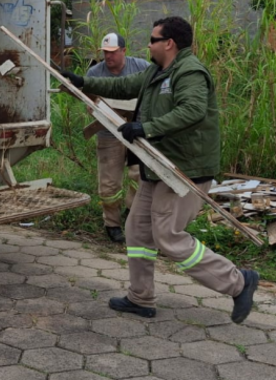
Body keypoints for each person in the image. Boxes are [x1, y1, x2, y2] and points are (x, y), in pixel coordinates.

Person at [62, 17, 259, 324]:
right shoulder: (156, 70)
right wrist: (82, 81)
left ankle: (238, 282)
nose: (148, 44)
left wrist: (146, 128)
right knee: (137, 230)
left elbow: (192, 110)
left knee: (167, 235)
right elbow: (123, 85)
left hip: (184, 168)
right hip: (157, 165)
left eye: (153, 39)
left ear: (169, 43)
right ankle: (140, 298)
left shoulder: (190, 72)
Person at [85, 33, 150, 243]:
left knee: (139, 177)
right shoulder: (95, 72)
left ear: (124, 50)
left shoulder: (141, 67)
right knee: (109, 184)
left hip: (136, 133)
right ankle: (112, 224)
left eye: (113, 53)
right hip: (108, 134)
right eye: (105, 53)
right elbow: (88, 103)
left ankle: (133, 214)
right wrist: (95, 109)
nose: (108, 57)